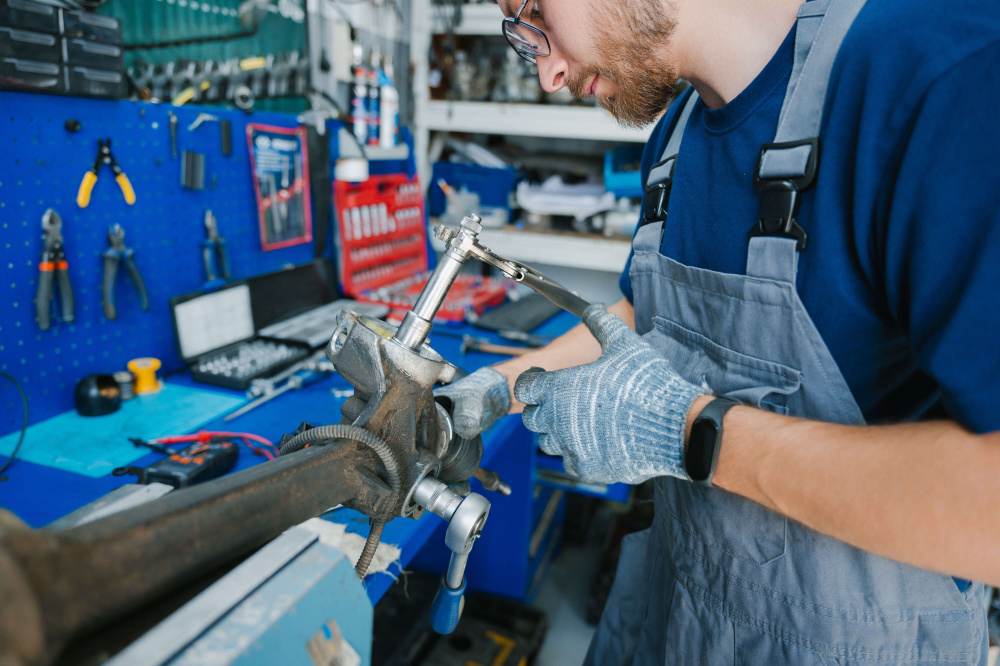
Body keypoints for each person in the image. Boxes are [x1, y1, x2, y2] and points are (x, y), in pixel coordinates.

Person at [435, 0, 1000, 663]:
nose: (548, 73)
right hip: (675, 610)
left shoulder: (933, 70)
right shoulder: (674, 136)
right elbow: (642, 316)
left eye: (531, 10)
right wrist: (491, 391)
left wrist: (687, 433)